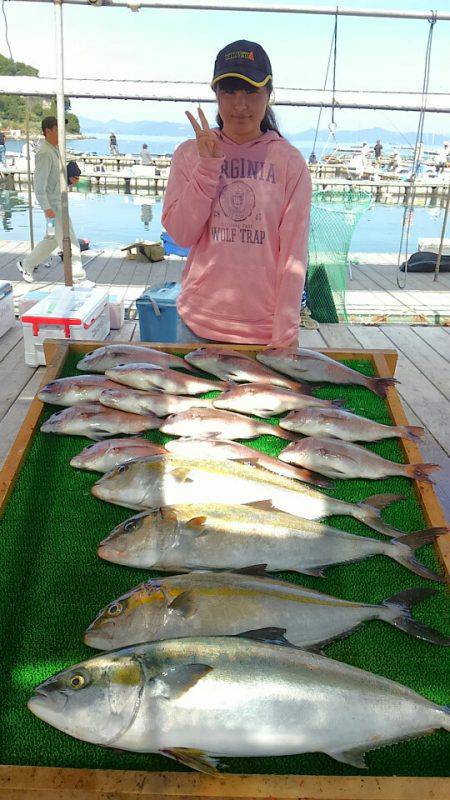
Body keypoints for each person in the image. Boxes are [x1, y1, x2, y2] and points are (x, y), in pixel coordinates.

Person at [162, 39, 312, 345]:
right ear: (216, 93)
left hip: (263, 333)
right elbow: (180, 235)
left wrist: (285, 332)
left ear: (269, 93)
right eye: (229, 91)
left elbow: (293, 256)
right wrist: (207, 167)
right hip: (196, 325)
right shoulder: (190, 153)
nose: (240, 104)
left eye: (252, 91)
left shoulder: (289, 162)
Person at [17, 116, 94, 286]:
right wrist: (46, 208)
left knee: (52, 240)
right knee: (70, 239)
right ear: (48, 131)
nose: (62, 132)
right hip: (53, 206)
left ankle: (27, 264)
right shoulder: (44, 153)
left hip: (58, 203)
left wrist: (68, 180)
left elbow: (54, 180)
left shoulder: (55, 149)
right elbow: (39, 185)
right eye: (58, 128)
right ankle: (79, 277)